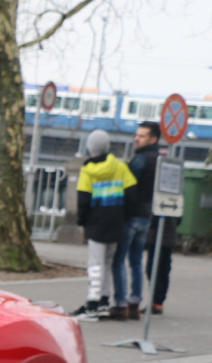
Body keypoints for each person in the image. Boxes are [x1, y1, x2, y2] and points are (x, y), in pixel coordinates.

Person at [72, 129, 136, 321]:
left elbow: (83, 200)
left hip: (96, 222)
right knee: (107, 263)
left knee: (95, 264)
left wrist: (82, 221)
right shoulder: (121, 167)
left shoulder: (87, 170)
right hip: (116, 222)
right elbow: (132, 195)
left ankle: (91, 305)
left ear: (90, 148)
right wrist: (124, 216)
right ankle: (103, 303)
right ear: (106, 147)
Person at [114, 121, 173, 319]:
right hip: (147, 217)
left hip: (132, 216)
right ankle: (135, 300)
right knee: (137, 261)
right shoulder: (160, 160)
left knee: (120, 259)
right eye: (136, 135)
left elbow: (129, 187)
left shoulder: (140, 160)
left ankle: (121, 302)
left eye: (141, 136)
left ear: (153, 139)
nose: (136, 138)